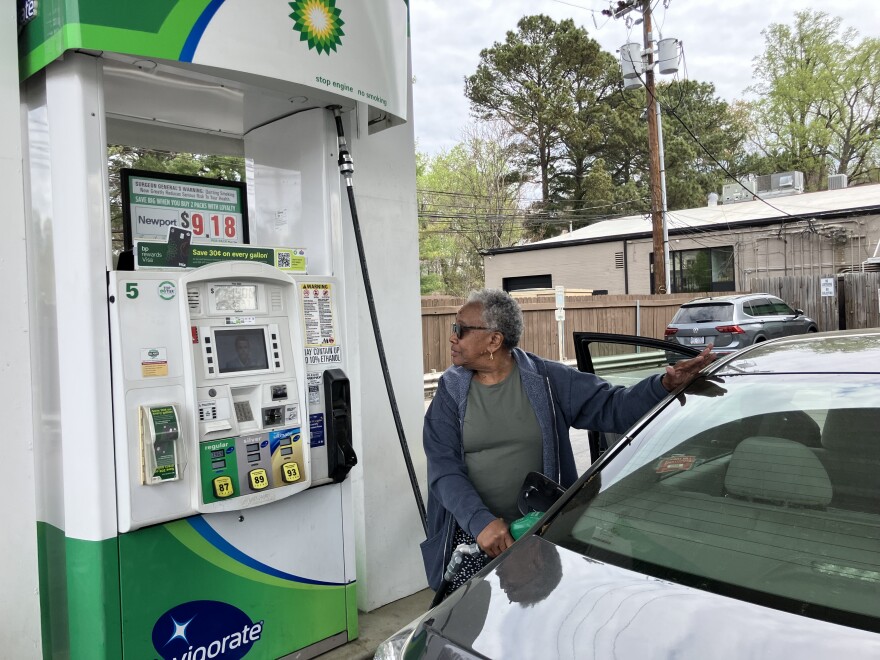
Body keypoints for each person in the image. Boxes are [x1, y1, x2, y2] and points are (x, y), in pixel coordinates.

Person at [421, 288, 714, 597]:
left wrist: (663, 385)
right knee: (465, 623)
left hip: (540, 533)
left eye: (461, 329)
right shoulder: (450, 392)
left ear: (494, 340)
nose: (452, 336)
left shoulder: (546, 380)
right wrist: (480, 523)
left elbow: (612, 406)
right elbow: (443, 469)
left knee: (543, 607)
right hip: (473, 536)